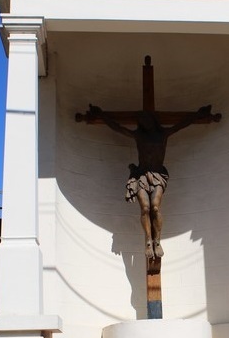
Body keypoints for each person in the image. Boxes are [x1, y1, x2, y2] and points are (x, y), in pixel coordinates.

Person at [87, 104, 219, 259]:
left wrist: (197, 115)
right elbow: (118, 128)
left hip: (158, 176)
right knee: (145, 208)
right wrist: (102, 116)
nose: (145, 124)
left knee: (155, 207)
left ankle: (157, 241)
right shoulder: (138, 135)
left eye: (147, 120)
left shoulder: (163, 134)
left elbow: (181, 124)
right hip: (141, 176)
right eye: (142, 121)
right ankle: (148, 241)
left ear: (153, 120)